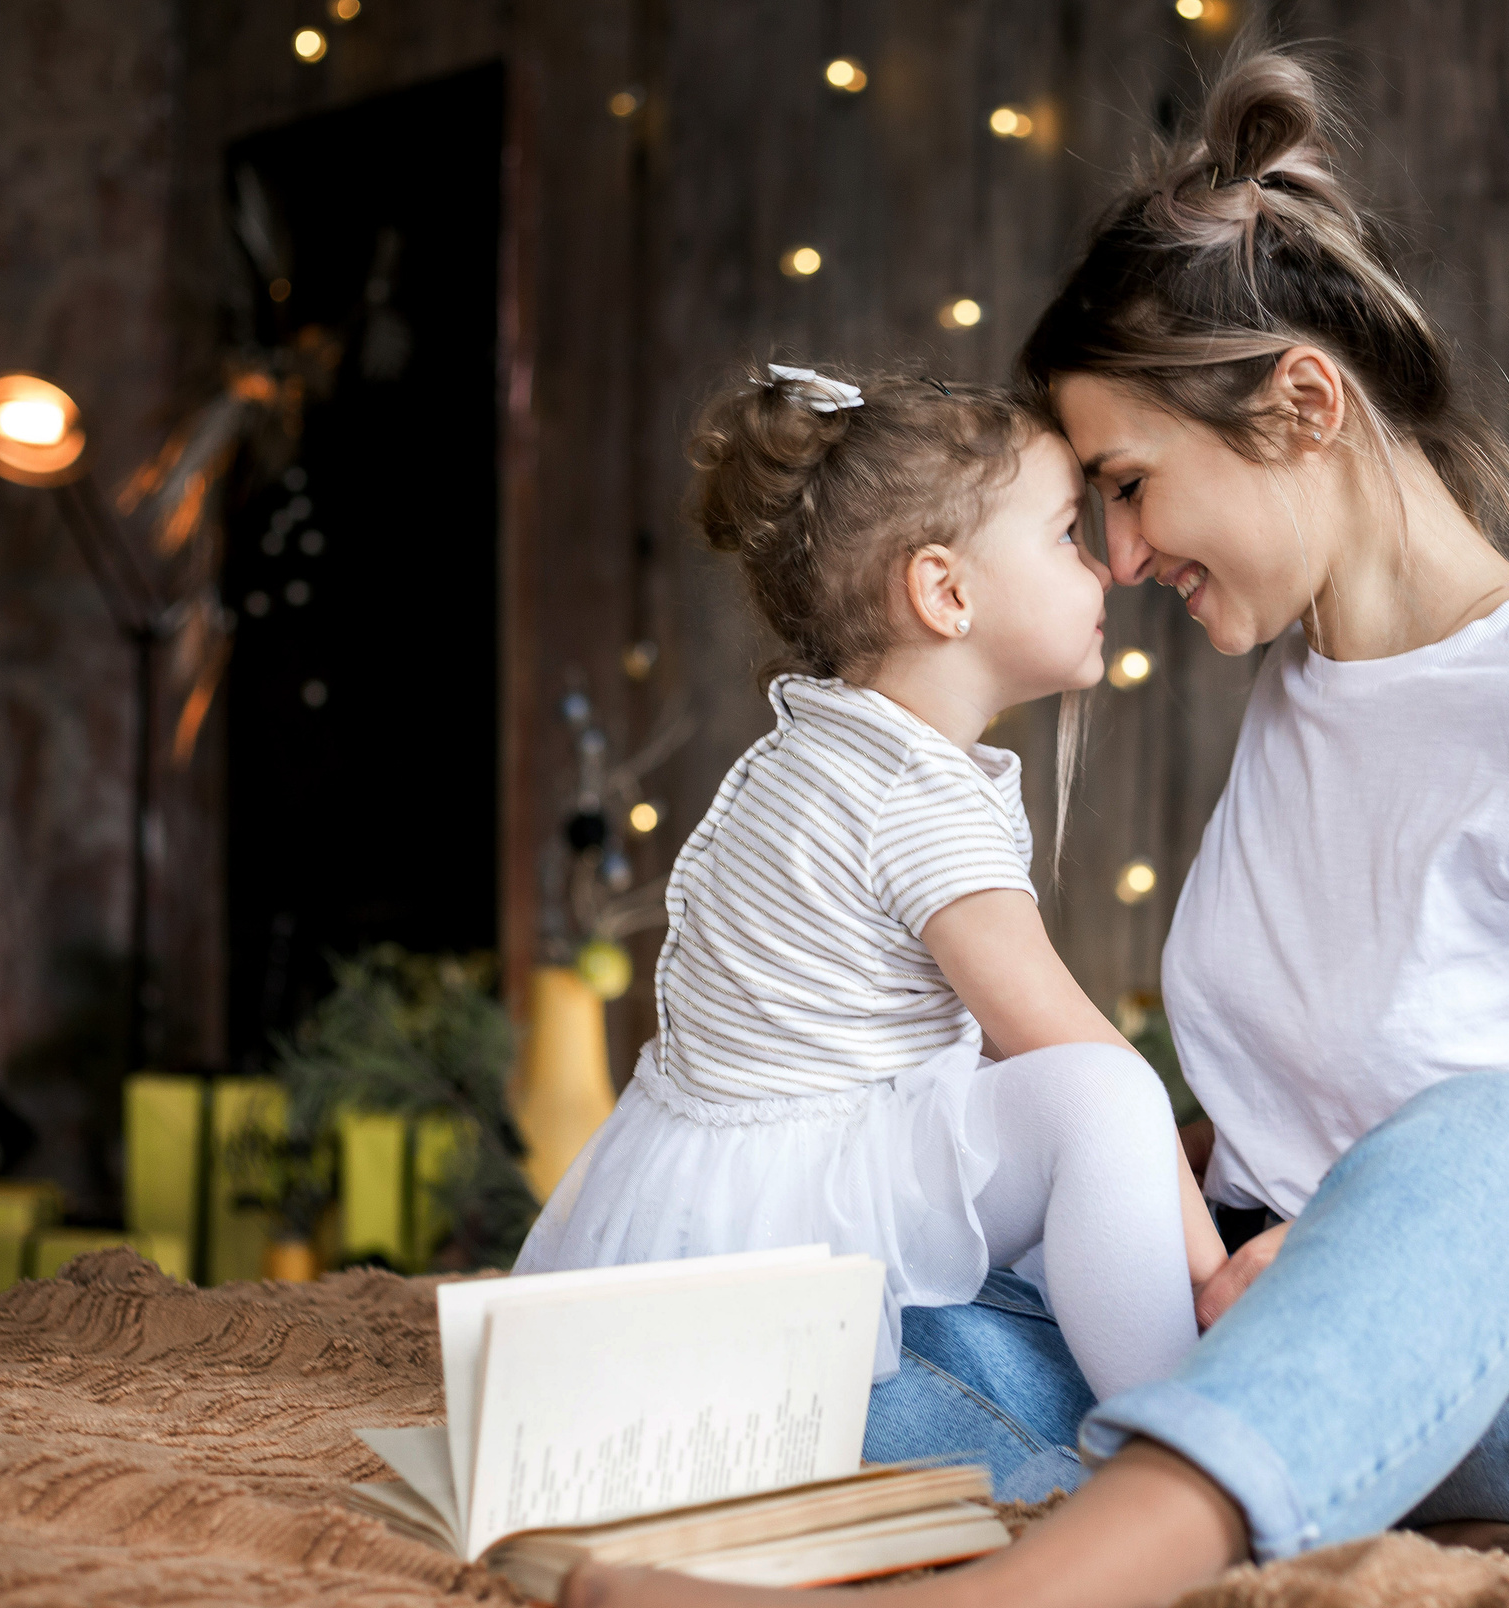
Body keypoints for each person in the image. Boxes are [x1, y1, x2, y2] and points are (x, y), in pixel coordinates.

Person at [559, 48, 1509, 1608]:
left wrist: (1350, 1243)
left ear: (1303, 407)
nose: (1117, 553)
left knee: (1490, 1138)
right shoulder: (1299, 689)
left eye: (1131, 487)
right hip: (1256, 1324)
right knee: (850, 1324)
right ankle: (1263, 1513)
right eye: (1092, 507)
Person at [516, 363, 1228, 1410]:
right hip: (797, 1227)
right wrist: (1211, 1272)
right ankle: (1189, 1424)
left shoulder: (821, 746)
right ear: (946, 593)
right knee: (1105, 1098)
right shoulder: (912, 795)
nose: (1107, 570)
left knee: (1042, 1115)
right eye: (1065, 537)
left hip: (714, 1194)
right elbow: (1070, 1047)